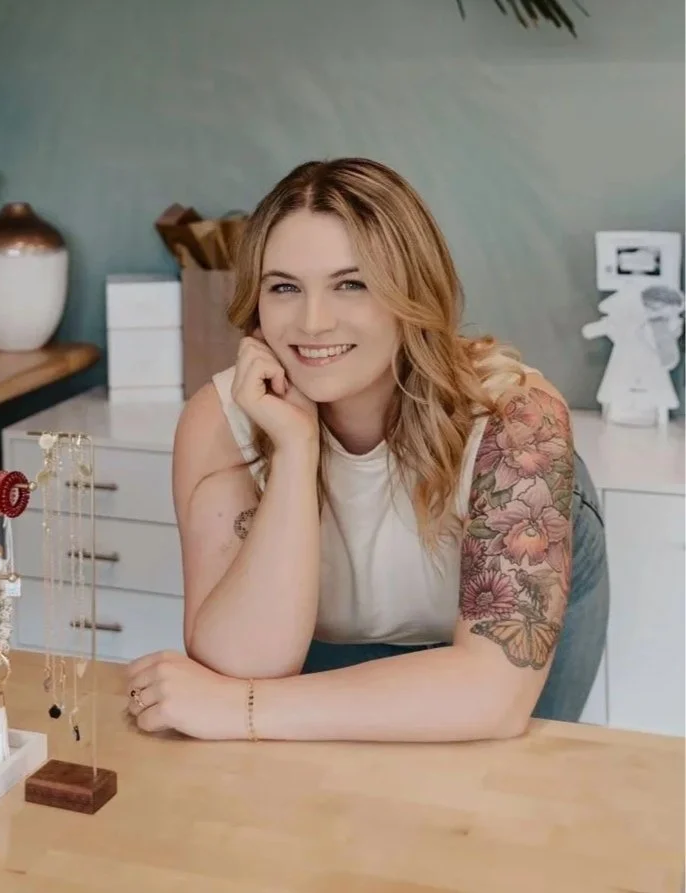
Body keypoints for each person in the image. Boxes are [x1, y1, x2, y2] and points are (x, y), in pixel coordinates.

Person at [126, 157, 609, 743]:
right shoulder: (221, 420)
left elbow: (492, 695)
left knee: (503, 802)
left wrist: (242, 709)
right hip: (332, 642)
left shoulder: (518, 418)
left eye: (350, 284)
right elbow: (244, 669)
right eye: (284, 287)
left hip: (487, 662)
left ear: (411, 291)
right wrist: (297, 450)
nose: (313, 321)